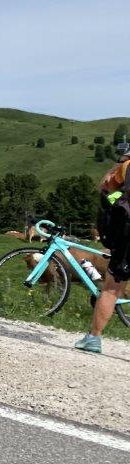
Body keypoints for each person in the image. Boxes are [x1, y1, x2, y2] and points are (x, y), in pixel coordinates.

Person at [78, 141, 130, 353]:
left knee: (111, 288)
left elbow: (105, 185)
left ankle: (93, 339)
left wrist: (119, 164)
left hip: (128, 236)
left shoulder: (125, 166)